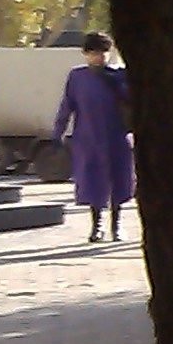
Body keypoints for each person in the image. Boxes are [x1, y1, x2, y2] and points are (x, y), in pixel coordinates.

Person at [50, 33, 133, 241]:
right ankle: (96, 226)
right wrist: (57, 133)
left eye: (102, 52)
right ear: (85, 54)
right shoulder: (77, 77)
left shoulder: (120, 75)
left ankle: (116, 225)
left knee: (119, 179)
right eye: (93, 53)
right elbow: (67, 105)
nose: (98, 57)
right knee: (92, 181)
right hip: (88, 137)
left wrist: (115, 82)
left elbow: (132, 102)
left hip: (116, 136)